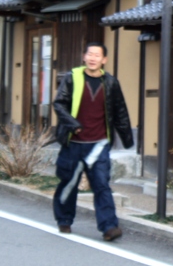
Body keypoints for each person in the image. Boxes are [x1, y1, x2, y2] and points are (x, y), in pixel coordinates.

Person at [53, 42, 133, 241]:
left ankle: (109, 227)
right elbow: (59, 104)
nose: (93, 58)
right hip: (74, 142)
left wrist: (127, 139)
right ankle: (64, 220)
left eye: (97, 55)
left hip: (99, 143)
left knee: (101, 184)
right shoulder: (72, 78)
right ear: (84, 57)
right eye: (90, 54)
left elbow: (120, 111)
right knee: (69, 183)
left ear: (104, 60)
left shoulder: (111, 83)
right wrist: (72, 124)